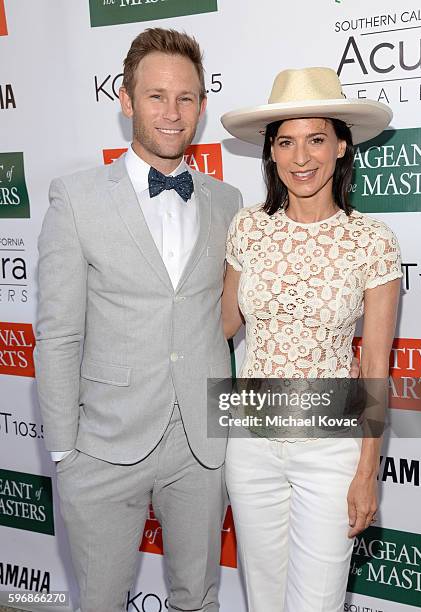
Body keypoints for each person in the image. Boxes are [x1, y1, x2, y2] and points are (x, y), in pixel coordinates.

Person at [35, 28, 242, 612]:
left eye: (186, 98)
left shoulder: (227, 202)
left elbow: (225, 318)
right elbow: (57, 334)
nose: (172, 113)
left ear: (202, 107)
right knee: (99, 601)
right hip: (101, 446)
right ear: (126, 100)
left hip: (200, 445)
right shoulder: (74, 198)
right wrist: (63, 454)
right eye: (156, 96)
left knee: (198, 598)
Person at [220, 67, 402, 611]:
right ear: (270, 152)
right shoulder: (247, 228)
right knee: (263, 601)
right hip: (250, 443)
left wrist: (366, 472)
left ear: (342, 146)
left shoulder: (372, 241)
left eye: (317, 139)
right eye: (286, 142)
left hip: (331, 448)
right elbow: (220, 325)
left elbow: (375, 366)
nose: (302, 158)